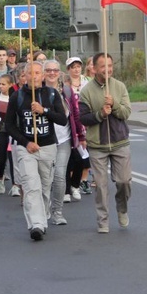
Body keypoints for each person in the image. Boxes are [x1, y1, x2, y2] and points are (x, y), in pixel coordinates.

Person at [5, 61, 67, 241]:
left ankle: (43, 215)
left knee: (45, 187)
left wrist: (44, 110)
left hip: (48, 147)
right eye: (30, 73)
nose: (34, 76)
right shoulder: (17, 96)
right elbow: (9, 126)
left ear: (43, 76)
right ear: (24, 76)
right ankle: (36, 225)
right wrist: (25, 142)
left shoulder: (52, 94)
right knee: (31, 186)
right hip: (27, 148)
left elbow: (62, 119)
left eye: (38, 73)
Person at [78, 53, 132, 233]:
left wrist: (114, 104)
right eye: (103, 66)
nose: (107, 69)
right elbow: (83, 118)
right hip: (97, 145)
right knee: (100, 186)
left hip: (120, 142)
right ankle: (103, 221)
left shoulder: (120, 86)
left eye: (110, 65)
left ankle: (122, 209)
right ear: (94, 68)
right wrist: (100, 114)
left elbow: (126, 113)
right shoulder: (86, 91)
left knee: (124, 182)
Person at [44, 60, 86, 226]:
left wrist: (81, 136)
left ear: (59, 72)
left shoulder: (66, 91)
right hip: (44, 140)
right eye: (48, 70)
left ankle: (57, 212)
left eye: (55, 70)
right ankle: (44, 207)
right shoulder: (38, 92)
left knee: (60, 175)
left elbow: (75, 114)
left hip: (64, 139)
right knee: (46, 178)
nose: (52, 73)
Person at [65, 57, 92, 195]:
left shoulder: (87, 82)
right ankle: (70, 182)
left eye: (78, 66)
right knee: (74, 155)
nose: (76, 69)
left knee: (85, 154)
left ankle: (84, 180)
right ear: (68, 69)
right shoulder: (65, 84)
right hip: (73, 123)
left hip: (86, 120)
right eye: (73, 67)